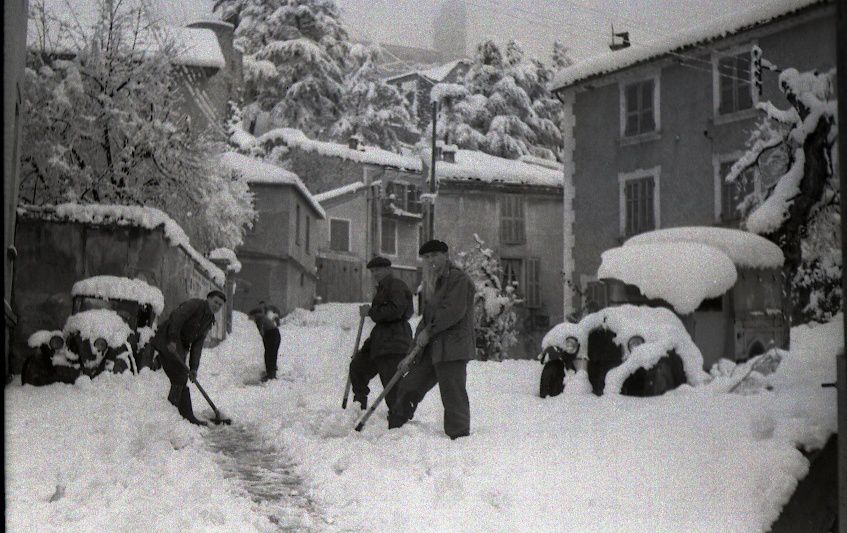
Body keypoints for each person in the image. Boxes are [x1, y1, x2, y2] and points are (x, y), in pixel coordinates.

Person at [389, 240, 476, 440]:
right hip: (434, 346)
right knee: (410, 383)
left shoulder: (458, 279)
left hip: (453, 347)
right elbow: (426, 318)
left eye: (435, 255)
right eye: (426, 258)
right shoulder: (434, 282)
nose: (431, 261)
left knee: (452, 393)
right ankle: (395, 429)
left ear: (446, 255)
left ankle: (459, 438)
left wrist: (429, 331)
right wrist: (410, 353)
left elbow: (453, 311)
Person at [349, 256, 414, 421]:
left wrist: (370, 312)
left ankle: (401, 418)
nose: (375, 273)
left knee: (391, 383)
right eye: (372, 271)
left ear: (388, 269)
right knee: (358, 366)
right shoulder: (382, 288)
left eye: (378, 270)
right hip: (380, 339)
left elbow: (396, 310)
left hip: (395, 340)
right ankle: (359, 406)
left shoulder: (397, 286)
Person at [151, 290, 226, 425]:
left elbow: (197, 345)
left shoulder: (209, 320)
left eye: (220, 305)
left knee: (181, 376)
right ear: (208, 299)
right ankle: (184, 415)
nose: (217, 306)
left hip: (180, 346)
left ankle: (176, 413)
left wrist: (194, 368)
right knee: (180, 375)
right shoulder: (195, 305)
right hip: (167, 338)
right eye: (215, 302)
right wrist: (172, 339)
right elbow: (176, 317)